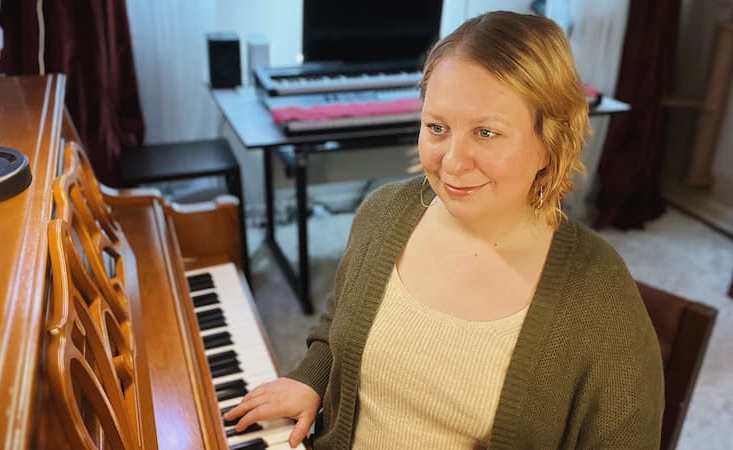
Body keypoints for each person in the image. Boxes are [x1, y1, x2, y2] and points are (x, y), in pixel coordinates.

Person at [224, 11, 664, 449]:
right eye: (437, 127)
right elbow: (338, 322)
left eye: (487, 133)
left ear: (550, 143)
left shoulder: (600, 294)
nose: (452, 161)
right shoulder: (383, 213)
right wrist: (311, 379)